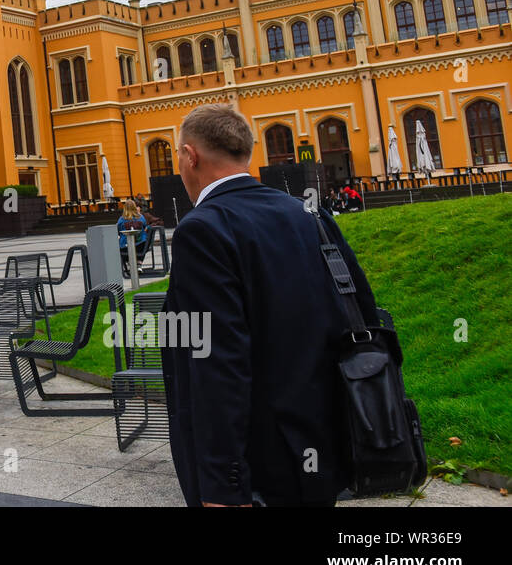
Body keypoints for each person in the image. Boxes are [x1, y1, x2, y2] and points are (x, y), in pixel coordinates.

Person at [163, 103, 380, 507]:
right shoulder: (307, 214)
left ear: (190, 156)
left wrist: (224, 484)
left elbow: (216, 361)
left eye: (179, 155)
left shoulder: (202, 230)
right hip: (327, 441)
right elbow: (361, 310)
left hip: (261, 463)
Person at [117, 198, 149, 276]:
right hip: (140, 246)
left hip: (126, 247)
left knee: (121, 246)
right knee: (143, 241)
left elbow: (118, 230)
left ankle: (129, 264)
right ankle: (139, 264)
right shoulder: (141, 217)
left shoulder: (121, 219)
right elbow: (145, 226)